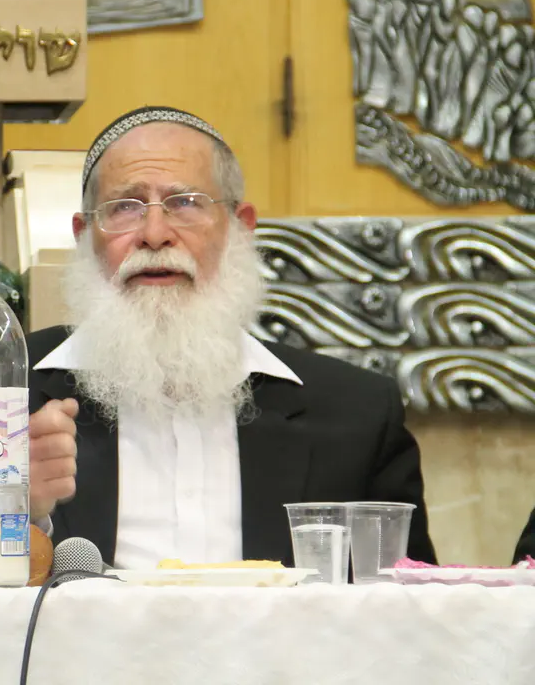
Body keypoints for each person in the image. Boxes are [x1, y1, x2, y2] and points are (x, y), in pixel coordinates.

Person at [22, 106, 437, 567]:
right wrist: (16, 509)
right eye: (124, 207)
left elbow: (411, 600)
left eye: (185, 203)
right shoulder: (2, 396)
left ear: (241, 227)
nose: (155, 235)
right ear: (83, 236)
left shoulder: (357, 416)